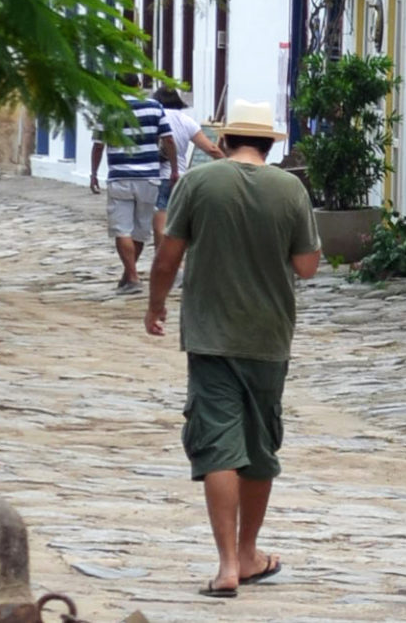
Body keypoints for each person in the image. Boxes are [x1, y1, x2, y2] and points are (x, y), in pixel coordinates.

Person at [144, 101, 320, 598]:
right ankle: (248, 554)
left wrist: (155, 306)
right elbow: (307, 266)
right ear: (269, 144)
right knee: (259, 447)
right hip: (268, 337)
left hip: (209, 335)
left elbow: (168, 256)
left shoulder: (199, 184)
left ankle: (224, 565)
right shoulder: (290, 189)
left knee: (218, 443)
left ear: (224, 142)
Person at [90, 81, 167, 290]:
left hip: (120, 176)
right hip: (149, 177)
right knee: (140, 230)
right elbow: (168, 140)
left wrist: (94, 173)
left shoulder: (107, 111)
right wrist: (175, 169)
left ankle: (132, 277)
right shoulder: (154, 107)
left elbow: (98, 145)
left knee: (122, 229)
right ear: (139, 84)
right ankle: (129, 275)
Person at [156, 85, 220, 247]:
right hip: (180, 177)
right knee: (179, 221)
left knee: (161, 217)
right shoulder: (186, 121)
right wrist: (228, 162)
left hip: (158, 174)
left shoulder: (156, 116)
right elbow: (210, 148)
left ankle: (161, 256)